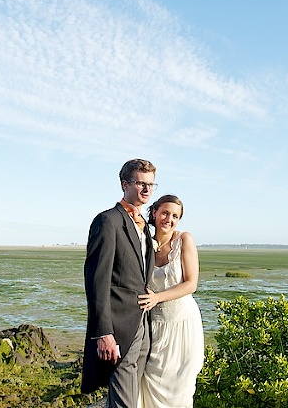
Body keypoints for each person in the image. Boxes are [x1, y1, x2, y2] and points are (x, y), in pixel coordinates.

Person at [82, 158, 158, 407]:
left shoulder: (145, 227)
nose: (146, 190)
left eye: (150, 184)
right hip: (119, 327)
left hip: (143, 323)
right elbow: (97, 281)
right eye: (140, 183)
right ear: (124, 184)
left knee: (129, 398)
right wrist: (103, 333)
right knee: (124, 400)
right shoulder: (108, 221)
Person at [138, 194, 204, 408]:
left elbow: (191, 283)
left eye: (175, 216)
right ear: (154, 212)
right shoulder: (143, 242)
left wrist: (157, 297)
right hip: (154, 326)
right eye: (165, 213)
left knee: (179, 390)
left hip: (183, 326)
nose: (169, 219)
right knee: (148, 382)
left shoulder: (184, 239)